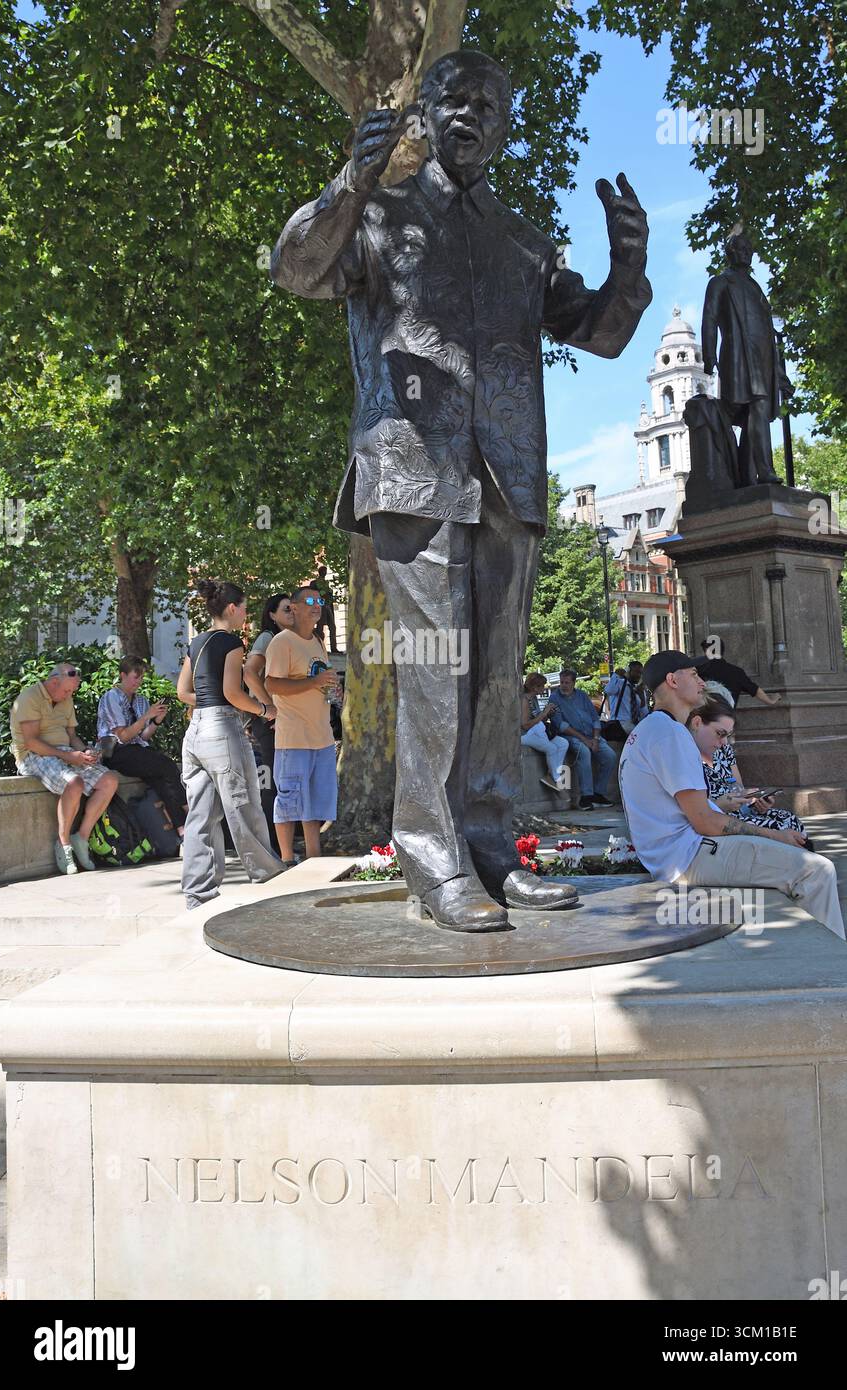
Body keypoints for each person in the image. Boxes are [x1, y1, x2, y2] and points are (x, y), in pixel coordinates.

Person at [269, 47, 651, 930]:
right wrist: (346, 185)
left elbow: (595, 334)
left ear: (508, 126)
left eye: (489, 102)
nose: (472, 113)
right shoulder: (378, 214)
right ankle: (431, 854)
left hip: (507, 479)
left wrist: (625, 267)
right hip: (411, 472)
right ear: (424, 116)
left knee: (494, 677)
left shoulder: (521, 241)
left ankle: (486, 845)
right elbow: (297, 271)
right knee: (437, 670)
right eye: (455, 98)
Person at [618, 651, 844, 939]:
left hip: (679, 854)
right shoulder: (669, 733)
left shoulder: (651, 729)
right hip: (689, 858)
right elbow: (705, 822)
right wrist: (775, 836)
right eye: (695, 674)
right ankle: (834, 971)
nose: (702, 682)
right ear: (673, 680)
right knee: (817, 871)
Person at [176, 579, 284, 910]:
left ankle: (198, 894)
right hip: (222, 730)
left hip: (195, 733)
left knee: (201, 815)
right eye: (246, 608)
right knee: (244, 805)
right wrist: (266, 709)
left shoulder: (196, 643)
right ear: (232, 608)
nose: (247, 615)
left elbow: (182, 693)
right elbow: (233, 694)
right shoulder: (231, 643)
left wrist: (207, 702)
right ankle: (268, 879)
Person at [701, 227, 793, 487]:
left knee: (758, 413)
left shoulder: (755, 288)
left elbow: (767, 331)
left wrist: (780, 375)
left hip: (762, 360)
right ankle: (760, 472)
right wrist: (709, 356)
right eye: (741, 249)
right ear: (730, 252)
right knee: (753, 411)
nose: (746, 253)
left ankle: (751, 476)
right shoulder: (720, 282)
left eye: (749, 250)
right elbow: (709, 319)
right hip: (737, 358)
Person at [10, 661, 119, 874]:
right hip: (34, 755)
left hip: (64, 751)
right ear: (53, 682)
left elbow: (71, 737)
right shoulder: (29, 698)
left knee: (109, 780)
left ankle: (82, 838)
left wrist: (85, 753)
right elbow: (31, 742)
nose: (70, 694)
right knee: (74, 782)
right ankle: (64, 844)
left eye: (72, 690)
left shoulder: (66, 699)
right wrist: (69, 755)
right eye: (67, 690)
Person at [264, 585, 340, 866]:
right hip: (293, 737)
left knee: (315, 803)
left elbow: (321, 680)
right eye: (309, 600)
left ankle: (314, 856)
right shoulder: (282, 642)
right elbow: (271, 684)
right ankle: (286, 861)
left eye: (320, 601)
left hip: (321, 735)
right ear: (293, 608)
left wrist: (333, 689)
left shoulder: (318, 641)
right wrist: (314, 683)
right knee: (289, 801)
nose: (316, 605)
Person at [686, 694, 809, 842]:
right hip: (718, 823)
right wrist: (720, 805)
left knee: (790, 820)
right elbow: (697, 816)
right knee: (778, 830)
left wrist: (754, 802)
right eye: (720, 733)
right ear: (697, 723)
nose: (724, 742)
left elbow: (738, 789)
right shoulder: (684, 756)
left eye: (728, 735)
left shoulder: (723, 750)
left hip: (739, 815)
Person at [97, 657, 187, 838]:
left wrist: (155, 721)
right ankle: (189, 810)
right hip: (116, 752)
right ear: (122, 675)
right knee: (167, 765)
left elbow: (143, 737)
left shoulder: (141, 700)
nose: (138, 682)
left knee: (161, 780)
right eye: (134, 677)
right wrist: (147, 716)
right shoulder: (111, 697)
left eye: (141, 678)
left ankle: (183, 830)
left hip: (136, 750)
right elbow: (123, 736)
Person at [242, 593, 296, 854]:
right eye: (286, 609)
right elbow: (250, 674)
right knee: (276, 779)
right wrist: (268, 709)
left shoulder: (294, 640)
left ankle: (283, 840)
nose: (292, 613)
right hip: (271, 721)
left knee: (285, 777)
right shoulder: (267, 638)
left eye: (293, 609)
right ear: (272, 615)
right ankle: (273, 845)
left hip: (287, 721)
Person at [550, 670, 617, 810]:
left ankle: (598, 793)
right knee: (584, 751)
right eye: (562, 682)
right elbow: (561, 725)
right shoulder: (554, 698)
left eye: (567, 682)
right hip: (572, 736)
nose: (563, 685)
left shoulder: (582, 695)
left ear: (574, 682)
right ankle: (586, 796)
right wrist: (585, 740)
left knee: (610, 756)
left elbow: (594, 718)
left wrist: (596, 739)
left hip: (591, 735)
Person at [695, 639, 781, 708]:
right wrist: (770, 701)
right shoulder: (736, 672)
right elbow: (755, 690)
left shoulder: (698, 671)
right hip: (727, 720)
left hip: (702, 720)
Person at [520, 673, 569, 792]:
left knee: (563, 743)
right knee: (551, 748)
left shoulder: (534, 698)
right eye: (542, 686)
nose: (544, 688)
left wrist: (548, 713)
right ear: (535, 688)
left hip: (537, 732)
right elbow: (525, 725)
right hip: (525, 735)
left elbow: (537, 719)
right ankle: (556, 779)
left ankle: (552, 774)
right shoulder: (525, 700)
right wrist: (544, 713)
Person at [603, 660, 647, 735]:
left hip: (634, 724)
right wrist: (615, 675)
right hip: (620, 723)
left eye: (640, 673)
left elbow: (644, 714)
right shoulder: (619, 683)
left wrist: (642, 698)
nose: (639, 675)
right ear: (628, 671)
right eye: (636, 672)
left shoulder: (639, 690)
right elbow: (608, 690)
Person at [309, 564, 339, 654]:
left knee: (332, 627)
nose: (325, 573)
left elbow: (329, 596)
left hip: (327, 607)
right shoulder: (314, 583)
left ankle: (334, 648)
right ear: (320, 572)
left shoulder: (326, 584)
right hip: (319, 607)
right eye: (323, 571)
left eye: (325, 571)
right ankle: (320, 648)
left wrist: (330, 593)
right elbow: (312, 594)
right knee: (320, 628)